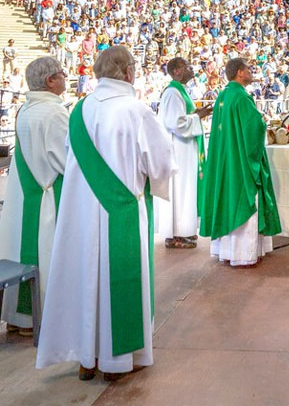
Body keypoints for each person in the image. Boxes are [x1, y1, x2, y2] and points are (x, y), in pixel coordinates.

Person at [36, 46, 175, 381]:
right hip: (122, 209)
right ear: (127, 72)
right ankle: (119, 361)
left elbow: (71, 157)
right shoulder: (136, 111)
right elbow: (161, 165)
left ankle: (87, 357)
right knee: (120, 279)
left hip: (81, 213)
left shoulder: (79, 110)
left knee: (85, 279)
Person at [0, 57, 68, 336]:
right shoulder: (54, 113)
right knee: (45, 254)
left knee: (25, 250)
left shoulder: (27, 109)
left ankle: (20, 317)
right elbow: (67, 161)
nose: (66, 77)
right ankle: (40, 316)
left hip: (31, 195)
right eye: (62, 73)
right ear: (50, 81)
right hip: (48, 197)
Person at [200, 58, 281, 267]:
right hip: (241, 163)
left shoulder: (223, 95)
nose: (251, 71)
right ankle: (244, 254)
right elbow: (252, 129)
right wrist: (262, 122)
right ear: (239, 72)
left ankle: (227, 251)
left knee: (228, 198)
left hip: (227, 160)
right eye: (248, 69)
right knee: (244, 201)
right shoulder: (241, 97)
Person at [154, 57, 212, 250]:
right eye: (187, 66)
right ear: (177, 71)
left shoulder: (180, 91)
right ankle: (176, 234)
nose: (191, 68)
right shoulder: (172, 93)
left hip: (185, 149)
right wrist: (198, 116)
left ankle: (184, 231)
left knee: (185, 190)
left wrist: (196, 114)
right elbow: (175, 123)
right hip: (178, 150)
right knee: (180, 190)